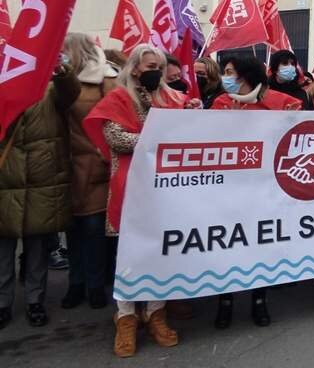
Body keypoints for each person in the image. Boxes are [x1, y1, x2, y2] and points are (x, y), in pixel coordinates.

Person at [83, 44, 198, 358]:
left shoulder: (174, 98)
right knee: (130, 254)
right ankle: (126, 317)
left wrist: (192, 115)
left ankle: (156, 313)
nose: (156, 72)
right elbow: (116, 138)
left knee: (160, 250)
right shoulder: (118, 98)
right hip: (130, 185)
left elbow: (187, 134)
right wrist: (156, 132)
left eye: (159, 66)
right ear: (134, 68)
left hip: (165, 187)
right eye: (150, 65)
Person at [208, 56, 302, 327]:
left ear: (246, 75)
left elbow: (304, 123)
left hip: (265, 186)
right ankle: (225, 301)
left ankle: (259, 301)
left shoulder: (279, 101)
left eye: (229, 72)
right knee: (227, 243)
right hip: (229, 186)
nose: (225, 77)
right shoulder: (221, 104)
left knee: (260, 243)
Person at [0, 58, 79, 329]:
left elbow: (71, 94)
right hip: (5, 184)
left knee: (37, 250)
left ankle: (35, 301)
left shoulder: (47, 93)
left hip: (43, 183)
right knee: (3, 250)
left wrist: (61, 70)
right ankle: (2, 303)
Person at [61, 34, 118, 311]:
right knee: (72, 230)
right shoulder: (57, 81)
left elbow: (115, 119)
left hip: (96, 165)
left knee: (94, 229)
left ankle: (94, 285)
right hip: (65, 166)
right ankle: (76, 282)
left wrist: (103, 153)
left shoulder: (106, 79)